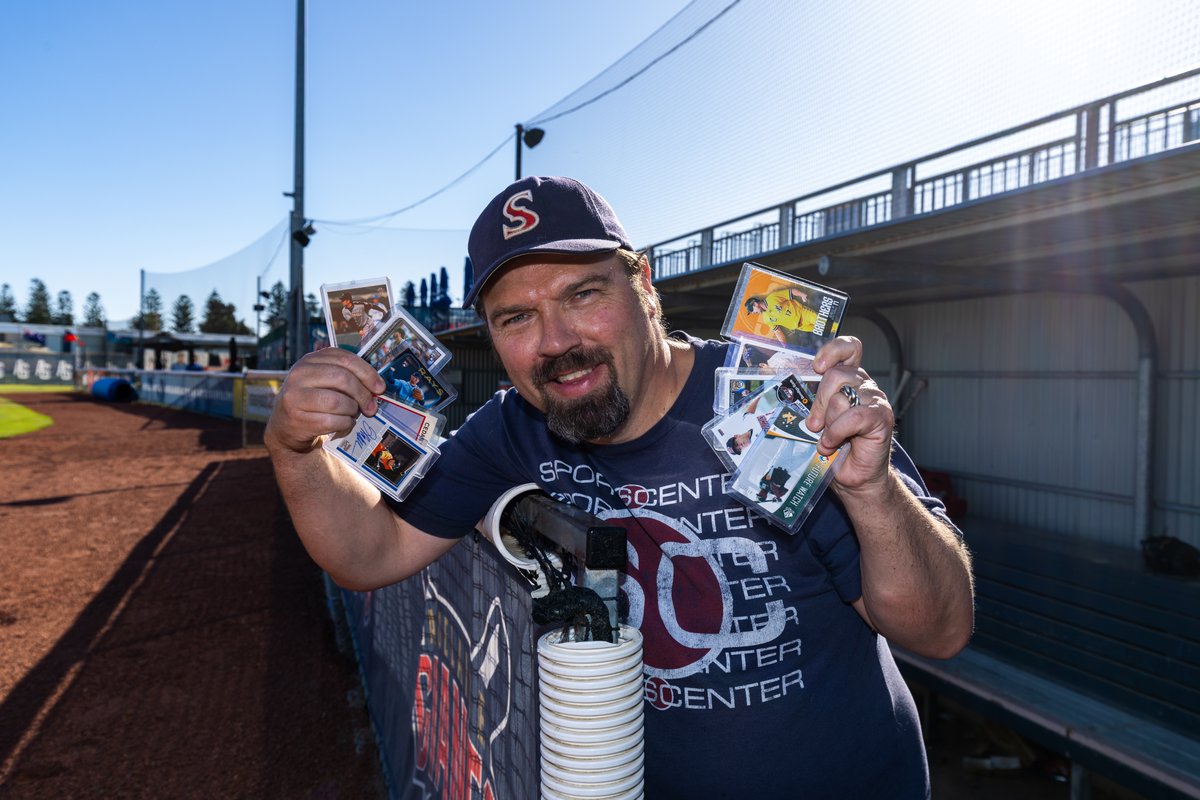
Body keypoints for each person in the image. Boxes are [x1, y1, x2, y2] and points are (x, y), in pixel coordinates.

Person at [265, 175, 974, 799]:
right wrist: (295, 450)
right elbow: (370, 553)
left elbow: (940, 630)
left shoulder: (778, 402)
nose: (556, 341)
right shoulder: (514, 429)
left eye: (583, 294)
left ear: (644, 286)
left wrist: (872, 492)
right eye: (517, 317)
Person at [745, 286, 818, 345]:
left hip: (804, 314)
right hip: (800, 327)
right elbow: (778, 332)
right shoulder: (765, 319)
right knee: (822, 331)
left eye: (752, 310)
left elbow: (791, 291)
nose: (753, 313)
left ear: (755, 304)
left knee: (823, 323)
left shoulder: (772, 297)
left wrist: (802, 294)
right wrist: (784, 346)